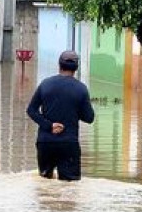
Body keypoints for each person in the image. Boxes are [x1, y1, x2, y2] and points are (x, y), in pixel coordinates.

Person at [26, 51, 95, 181]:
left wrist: (49, 125)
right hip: (68, 144)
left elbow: (31, 110)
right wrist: (74, 109)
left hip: (45, 143)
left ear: (59, 65)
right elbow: (89, 118)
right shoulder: (81, 89)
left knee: (45, 183)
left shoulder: (45, 84)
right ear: (76, 68)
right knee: (70, 186)